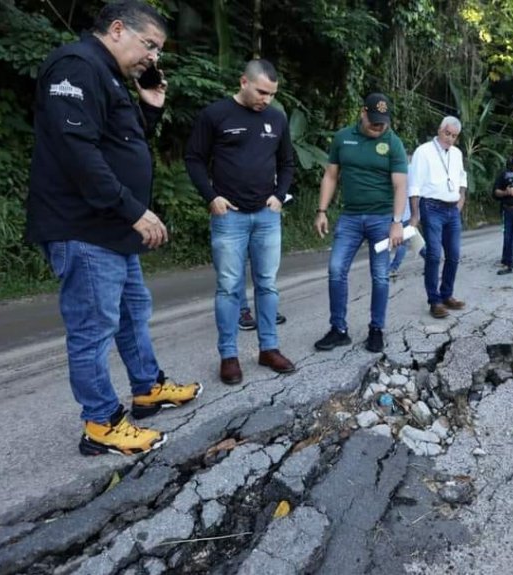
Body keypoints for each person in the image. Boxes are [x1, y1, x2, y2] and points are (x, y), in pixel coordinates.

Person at [26, 1, 201, 456]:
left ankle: (147, 388)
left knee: (132, 314)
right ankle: (101, 422)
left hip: (112, 228)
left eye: (158, 51)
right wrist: (133, 211)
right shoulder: (77, 66)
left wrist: (151, 108)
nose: (153, 58)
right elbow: (78, 152)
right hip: (85, 227)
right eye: (150, 45)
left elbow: (120, 143)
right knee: (94, 328)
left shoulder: (108, 75)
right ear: (118, 29)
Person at [185, 59, 297, 384]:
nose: (267, 99)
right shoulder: (215, 115)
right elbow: (193, 158)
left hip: (266, 216)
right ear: (243, 82)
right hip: (229, 217)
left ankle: (269, 348)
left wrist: (279, 195)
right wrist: (211, 197)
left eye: (272, 94)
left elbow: (287, 162)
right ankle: (229, 356)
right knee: (228, 288)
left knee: (267, 284)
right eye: (262, 92)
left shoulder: (276, 118)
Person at [313, 92, 407, 353]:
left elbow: (400, 185)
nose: (378, 127)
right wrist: (321, 211)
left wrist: (397, 222)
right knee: (336, 269)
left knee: (380, 276)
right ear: (362, 113)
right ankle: (338, 329)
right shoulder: (343, 138)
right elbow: (331, 176)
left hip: (381, 219)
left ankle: (376, 329)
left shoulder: (393, 143)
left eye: (383, 122)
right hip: (350, 218)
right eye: (374, 121)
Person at [408, 116, 468, 318]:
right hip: (431, 207)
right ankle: (435, 301)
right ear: (439, 130)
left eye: (454, 136)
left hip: (452, 209)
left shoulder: (457, 154)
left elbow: (462, 178)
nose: (450, 138)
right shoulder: (423, 151)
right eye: (447, 133)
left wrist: (461, 200)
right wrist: (415, 214)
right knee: (434, 255)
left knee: (454, 254)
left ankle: (447, 295)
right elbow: (414, 185)